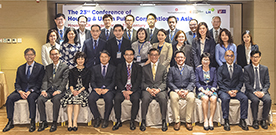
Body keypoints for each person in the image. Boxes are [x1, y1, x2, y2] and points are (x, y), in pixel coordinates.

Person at [3, 48, 45, 132]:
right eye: (27, 55)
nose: (29, 56)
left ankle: (32, 121)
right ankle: (10, 121)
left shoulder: (40, 67)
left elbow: (39, 83)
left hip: (33, 91)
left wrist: (30, 91)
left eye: (31, 55)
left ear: (34, 56)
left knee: (31, 98)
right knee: (9, 98)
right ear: (25, 56)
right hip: (22, 91)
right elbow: (17, 83)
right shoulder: (20, 68)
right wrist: (20, 91)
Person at [37, 48, 69, 132]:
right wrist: (43, 90)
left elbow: (64, 81)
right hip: (49, 90)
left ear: (59, 55)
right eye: (52, 54)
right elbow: (45, 80)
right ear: (50, 56)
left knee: (56, 99)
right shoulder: (48, 67)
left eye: (56, 54)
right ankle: (44, 121)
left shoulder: (65, 67)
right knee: (40, 99)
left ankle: (54, 122)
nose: (54, 56)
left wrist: (59, 90)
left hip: (59, 91)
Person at [217, 50, 248, 131]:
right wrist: (228, 91)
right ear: (224, 57)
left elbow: (241, 81)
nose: (229, 57)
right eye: (227, 56)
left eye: (231, 56)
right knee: (225, 98)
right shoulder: (220, 68)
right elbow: (220, 82)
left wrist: (236, 90)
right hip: (224, 91)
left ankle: (243, 120)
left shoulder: (239, 68)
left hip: (236, 90)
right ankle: (226, 120)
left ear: (234, 57)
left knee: (244, 98)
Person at [60, 52, 91, 131]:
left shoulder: (88, 71)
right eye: (78, 59)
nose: (80, 61)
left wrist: (79, 91)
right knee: (70, 100)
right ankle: (70, 122)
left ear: (85, 60)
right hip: (72, 90)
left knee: (76, 99)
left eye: (82, 59)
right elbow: (71, 83)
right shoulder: (72, 71)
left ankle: (75, 122)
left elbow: (86, 85)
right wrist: (73, 91)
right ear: (75, 60)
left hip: (83, 91)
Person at [112, 49, 142, 130]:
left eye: (131, 54)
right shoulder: (119, 66)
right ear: (124, 56)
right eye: (127, 55)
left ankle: (132, 120)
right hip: (122, 89)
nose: (129, 56)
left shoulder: (138, 67)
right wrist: (123, 91)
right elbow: (117, 79)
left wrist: (131, 91)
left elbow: (138, 80)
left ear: (133, 56)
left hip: (133, 89)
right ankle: (118, 120)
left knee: (136, 99)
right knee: (117, 99)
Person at [140, 48, 168, 132]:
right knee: (145, 99)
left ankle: (163, 120)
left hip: (159, 90)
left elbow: (165, 82)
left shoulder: (163, 68)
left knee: (163, 98)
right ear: (149, 56)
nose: (154, 56)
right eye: (152, 55)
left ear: (158, 56)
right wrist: (148, 89)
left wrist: (158, 90)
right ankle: (143, 121)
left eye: (156, 55)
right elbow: (142, 82)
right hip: (148, 90)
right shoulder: (144, 68)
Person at [167, 50, 195, 131]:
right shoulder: (171, 69)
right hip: (175, 90)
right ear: (175, 59)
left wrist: (187, 90)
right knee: (173, 98)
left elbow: (192, 81)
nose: (180, 59)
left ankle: (188, 121)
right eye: (178, 57)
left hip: (187, 90)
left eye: (181, 57)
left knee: (192, 98)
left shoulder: (190, 69)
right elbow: (169, 82)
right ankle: (177, 121)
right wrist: (177, 90)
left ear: (185, 58)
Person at [88, 50, 116, 128]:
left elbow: (114, 82)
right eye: (102, 57)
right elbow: (92, 81)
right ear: (99, 58)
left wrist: (108, 89)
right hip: (97, 89)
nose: (103, 59)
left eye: (105, 57)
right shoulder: (94, 68)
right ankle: (97, 118)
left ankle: (106, 119)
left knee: (109, 99)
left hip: (108, 90)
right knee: (90, 99)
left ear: (109, 58)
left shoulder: (113, 68)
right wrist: (96, 88)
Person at [244, 50, 271, 129]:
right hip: (251, 91)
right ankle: (255, 120)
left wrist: (263, 92)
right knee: (255, 100)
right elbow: (247, 83)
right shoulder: (246, 68)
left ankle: (263, 120)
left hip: (262, 91)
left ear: (260, 58)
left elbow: (267, 83)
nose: (255, 59)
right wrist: (254, 92)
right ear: (251, 58)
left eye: (257, 57)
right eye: (253, 57)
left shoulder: (265, 68)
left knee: (268, 100)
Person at [195, 52, 217, 131]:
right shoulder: (198, 69)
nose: (205, 62)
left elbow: (215, 82)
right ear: (201, 61)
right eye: (204, 59)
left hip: (211, 89)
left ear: (210, 61)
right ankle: (205, 119)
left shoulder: (213, 69)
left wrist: (211, 90)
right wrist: (204, 91)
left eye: (207, 60)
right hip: (202, 90)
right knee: (205, 98)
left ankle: (211, 119)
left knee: (213, 98)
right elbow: (197, 82)